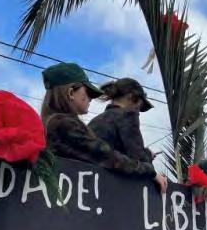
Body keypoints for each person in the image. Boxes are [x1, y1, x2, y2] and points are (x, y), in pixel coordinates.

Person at [40, 62, 167, 193]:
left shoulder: (52, 123)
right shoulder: (64, 124)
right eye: (89, 92)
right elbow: (107, 157)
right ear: (71, 92)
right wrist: (150, 171)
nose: (91, 99)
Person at [88, 77, 156, 165]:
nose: (138, 112)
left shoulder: (96, 120)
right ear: (131, 97)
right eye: (138, 107)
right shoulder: (127, 116)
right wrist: (148, 155)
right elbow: (138, 159)